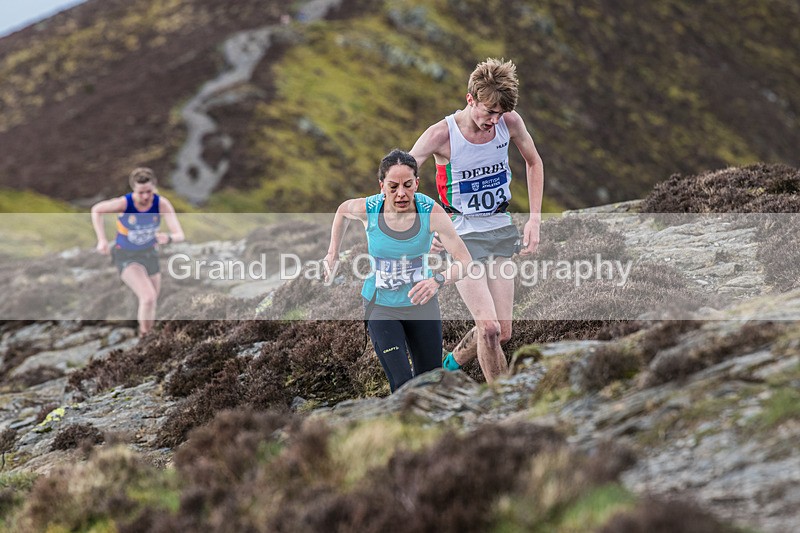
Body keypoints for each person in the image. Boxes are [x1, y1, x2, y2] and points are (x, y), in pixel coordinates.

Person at [409, 58, 544, 383]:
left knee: (503, 331)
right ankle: (502, 402)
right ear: (470, 99)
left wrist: (535, 220)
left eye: (499, 114)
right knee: (489, 328)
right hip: (461, 237)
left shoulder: (509, 121)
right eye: (488, 112)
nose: (493, 120)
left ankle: (446, 369)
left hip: (498, 230)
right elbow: (400, 179)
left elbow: (534, 163)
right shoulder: (441, 134)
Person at [324, 149, 473, 393]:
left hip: (421, 305)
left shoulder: (431, 212)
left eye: (407, 185)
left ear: (417, 183)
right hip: (381, 306)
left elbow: (465, 261)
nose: (401, 193)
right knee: (403, 385)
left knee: (430, 382)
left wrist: (437, 280)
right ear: (382, 186)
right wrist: (333, 253)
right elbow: (342, 211)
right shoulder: (369, 209)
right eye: (393, 187)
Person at [91, 167, 184, 335]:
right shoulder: (124, 203)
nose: (146, 196)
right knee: (148, 297)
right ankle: (145, 337)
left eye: (149, 191)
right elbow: (97, 210)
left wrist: (168, 238)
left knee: (153, 299)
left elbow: (179, 235)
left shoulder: (161, 204)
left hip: (150, 255)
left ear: (154, 186)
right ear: (134, 189)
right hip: (126, 255)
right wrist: (102, 239)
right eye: (141, 193)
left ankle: (147, 330)